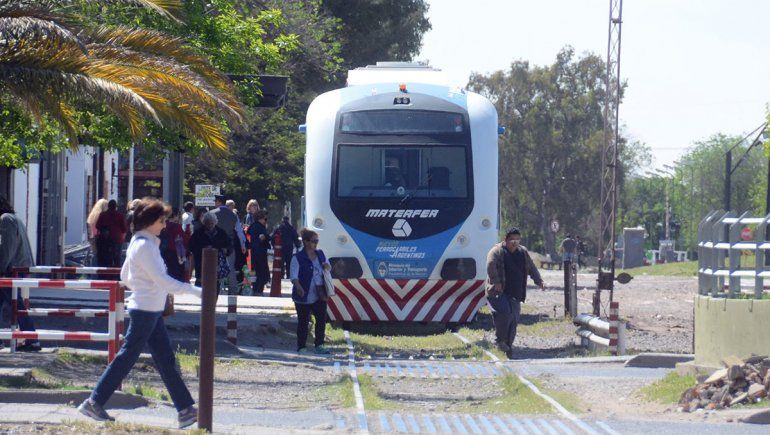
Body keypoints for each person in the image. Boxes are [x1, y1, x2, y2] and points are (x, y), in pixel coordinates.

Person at [78, 198, 201, 428]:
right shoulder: (145, 246)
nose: (165, 225)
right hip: (146, 310)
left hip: (148, 309)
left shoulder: (141, 242)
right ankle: (94, 402)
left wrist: (144, 287)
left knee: (164, 360)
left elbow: (125, 276)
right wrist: (195, 291)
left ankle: (185, 409)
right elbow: (162, 280)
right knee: (129, 357)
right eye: (162, 220)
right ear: (150, 221)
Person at [485, 228, 544, 359]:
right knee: (504, 313)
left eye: (517, 240)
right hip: (498, 292)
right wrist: (496, 282)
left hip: (515, 292)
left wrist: (539, 280)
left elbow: (531, 267)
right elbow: (490, 265)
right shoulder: (497, 251)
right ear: (506, 240)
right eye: (512, 240)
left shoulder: (522, 252)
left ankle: (507, 346)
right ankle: (500, 340)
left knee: (514, 319)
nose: (515, 243)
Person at [0, 195, 41, 351]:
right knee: (14, 303)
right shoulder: (14, 218)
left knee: (16, 304)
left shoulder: (5, 220)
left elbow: (7, 248)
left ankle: (32, 338)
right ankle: (30, 338)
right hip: (18, 267)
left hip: (11, 270)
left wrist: (1, 269)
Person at [290, 228, 331, 354]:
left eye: (317, 241)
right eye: (314, 241)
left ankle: (319, 344)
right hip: (303, 294)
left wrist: (327, 266)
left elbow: (328, 267)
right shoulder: (298, 257)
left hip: (320, 293)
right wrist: (298, 287)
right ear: (306, 242)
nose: (316, 244)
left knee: (321, 319)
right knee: (303, 321)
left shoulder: (320, 254)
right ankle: (301, 346)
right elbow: (294, 276)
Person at [188, 212, 231, 287]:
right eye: (208, 223)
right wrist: (204, 249)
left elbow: (229, 245)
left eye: (212, 223)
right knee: (200, 285)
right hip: (201, 263)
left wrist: (226, 250)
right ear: (204, 223)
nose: (210, 225)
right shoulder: (198, 233)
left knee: (215, 285)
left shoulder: (221, 233)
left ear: (215, 223)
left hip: (216, 263)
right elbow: (191, 246)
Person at [211, 195, 239, 293]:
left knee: (213, 266)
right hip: (229, 244)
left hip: (215, 244)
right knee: (230, 267)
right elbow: (238, 230)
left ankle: (214, 288)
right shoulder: (233, 215)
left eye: (215, 201)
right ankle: (233, 289)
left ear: (219, 202)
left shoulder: (212, 213)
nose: (215, 203)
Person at [95, 200, 128, 267]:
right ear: (115, 207)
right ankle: (116, 271)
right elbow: (124, 229)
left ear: (108, 206)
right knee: (117, 258)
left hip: (105, 240)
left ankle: (106, 271)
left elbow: (97, 226)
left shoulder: (103, 215)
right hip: (117, 240)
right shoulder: (119, 215)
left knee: (106, 259)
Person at [159, 207, 187, 282]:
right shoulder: (177, 227)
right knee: (175, 278)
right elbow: (183, 242)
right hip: (175, 255)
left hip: (162, 253)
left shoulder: (160, 226)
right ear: (175, 215)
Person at [246, 210, 271, 295]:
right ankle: (259, 290)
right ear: (260, 218)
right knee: (261, 271)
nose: (266, 221)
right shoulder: (260, 227)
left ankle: (255, 288)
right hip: (260, 252)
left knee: (254, 271)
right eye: (265, 219)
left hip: (253, 251)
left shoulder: (253, 226)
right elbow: (264, 237)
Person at [226, 200, 248, 287]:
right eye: (231, 206)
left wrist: (243, 244)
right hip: (232, 241)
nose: (232, 207)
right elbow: (239, 231)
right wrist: (243, 244)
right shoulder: (234, 216)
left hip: (232, 241)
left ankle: (233, 282)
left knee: (233, 263)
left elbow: (239, 231)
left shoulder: (232, 215)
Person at [86, 199, 109, 266]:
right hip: (100, 238)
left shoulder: (92, 215)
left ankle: (93, 270)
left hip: (93, 238)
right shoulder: (102, 215)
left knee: (94, 255)